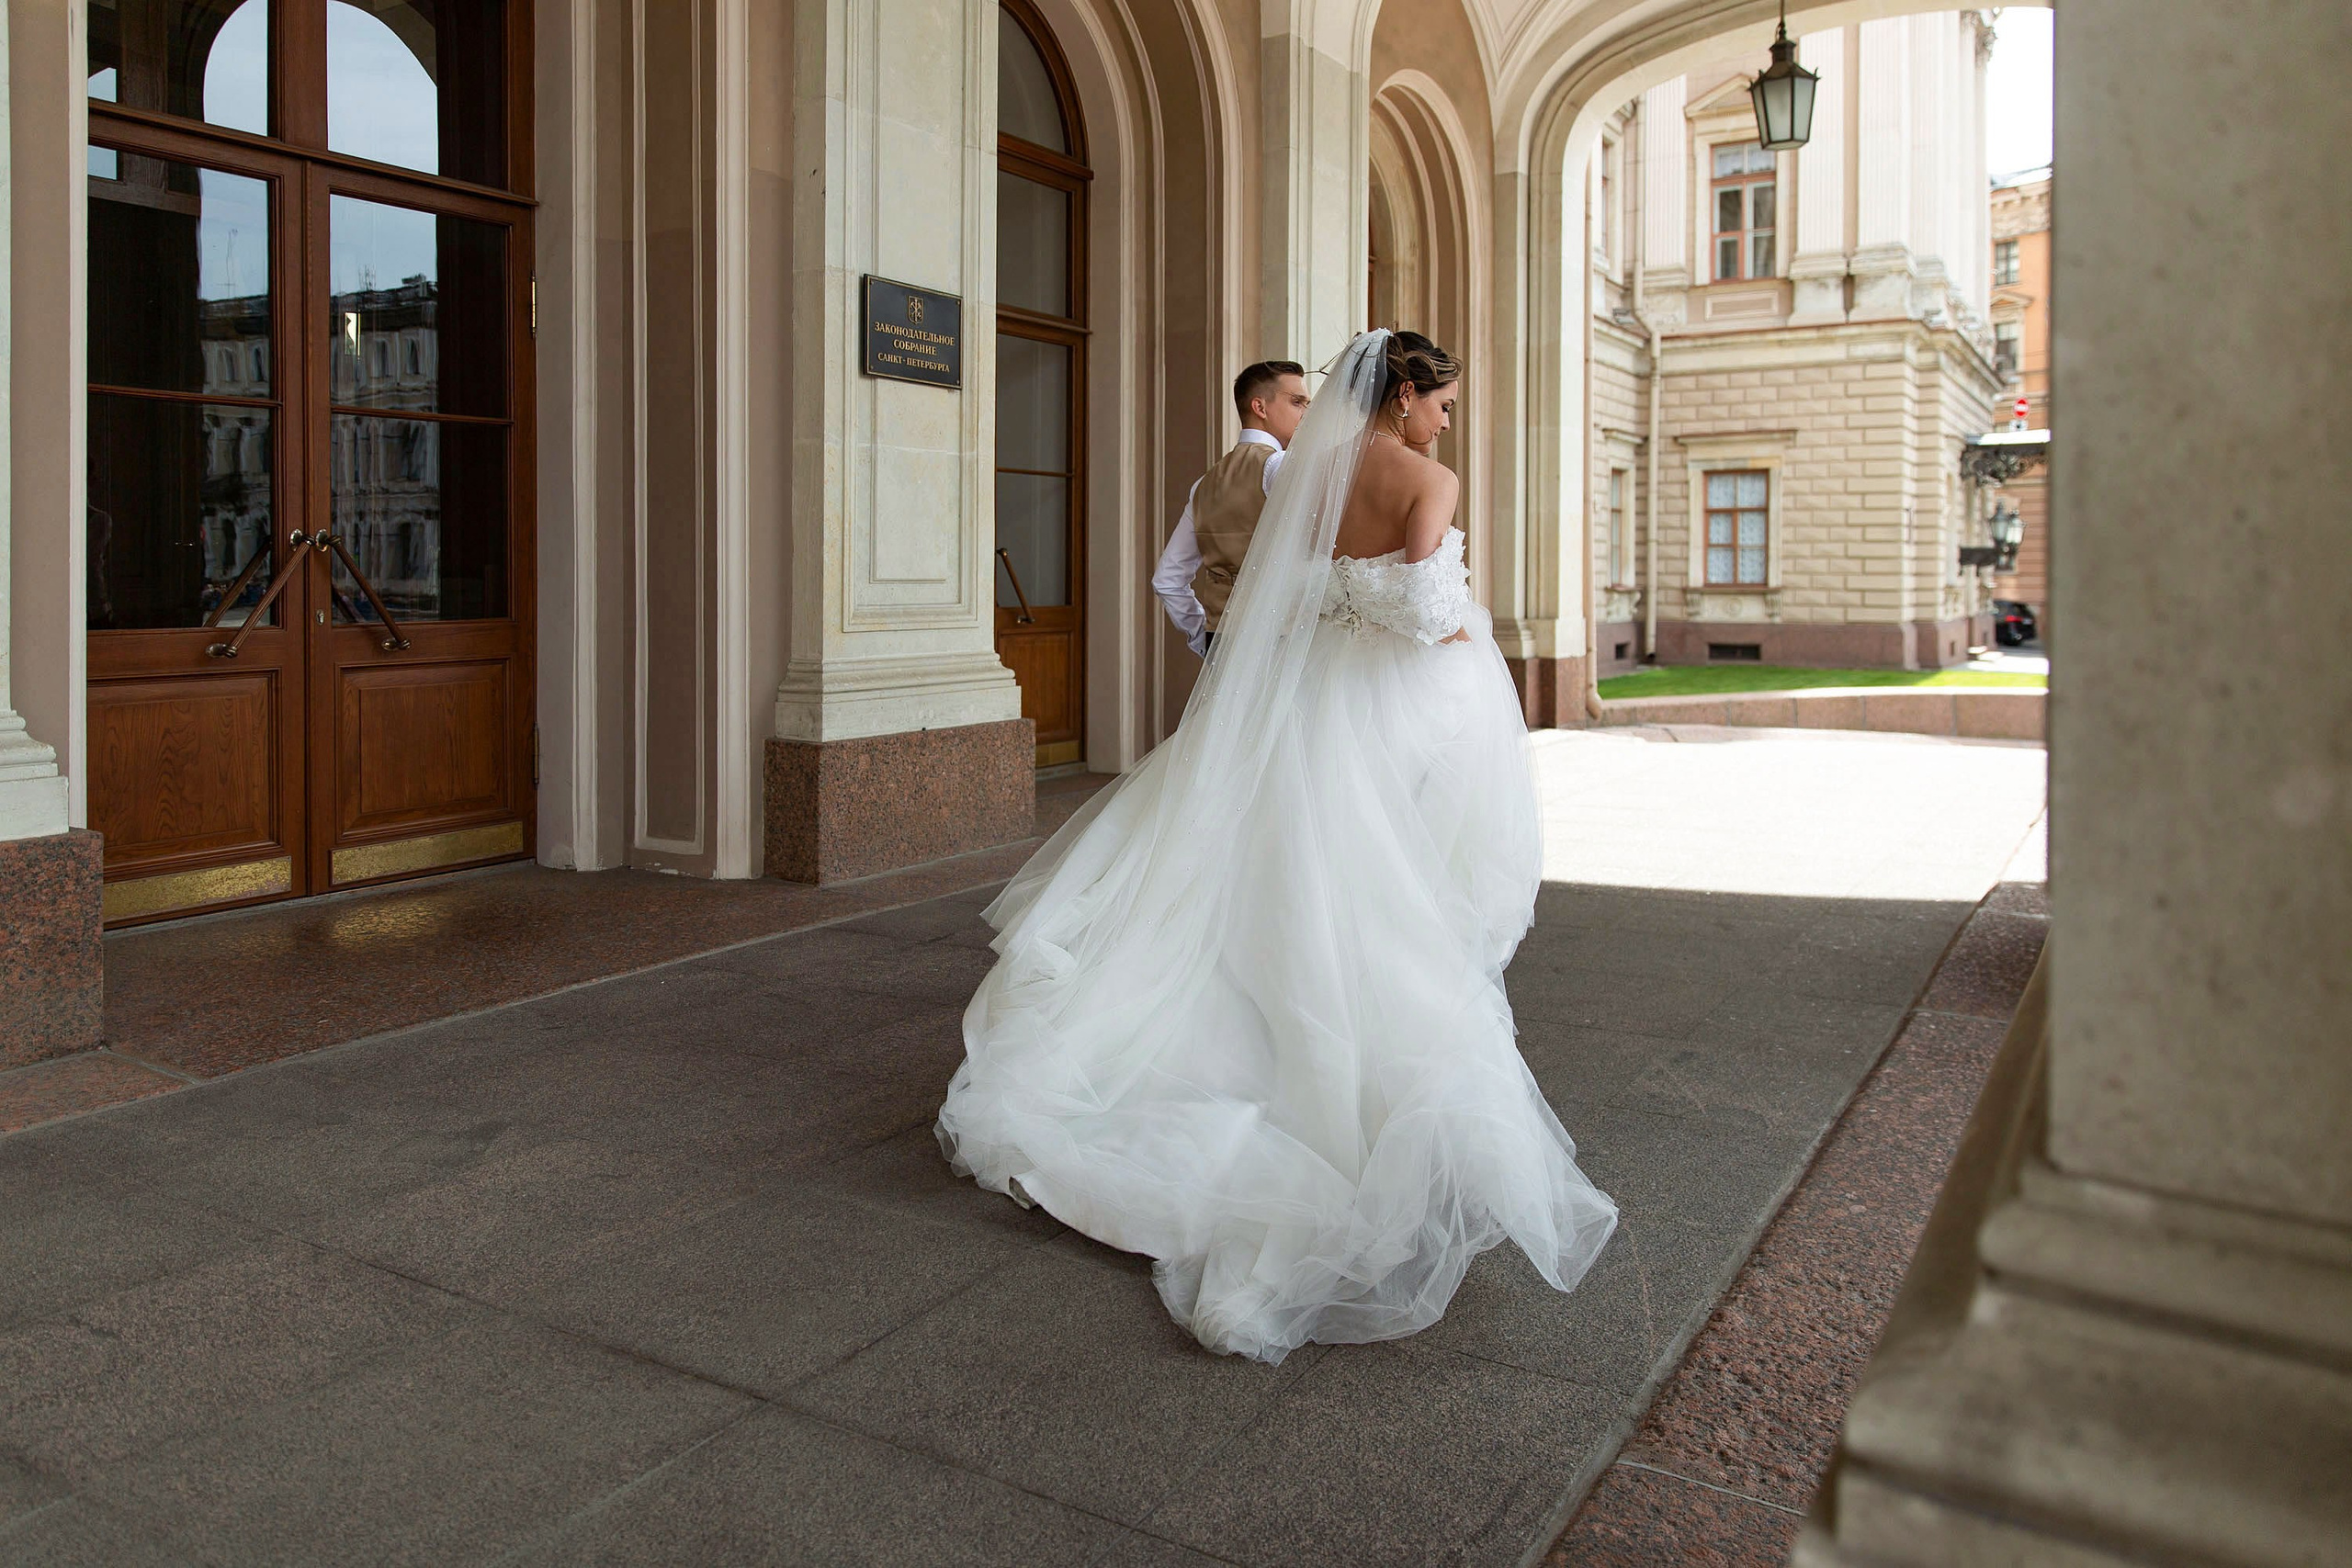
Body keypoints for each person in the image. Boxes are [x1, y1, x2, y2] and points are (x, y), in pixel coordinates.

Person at [937, 330, 1616, 1364]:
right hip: (1388, 709)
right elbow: (1432, 615)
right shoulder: (1428, 479)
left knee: (1268, 873)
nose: (1445, 419)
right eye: (1439, 400)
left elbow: (1275, 594)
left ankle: (1225, 1046)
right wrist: (1453, 630)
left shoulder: (1309, 476)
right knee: (1379, 894)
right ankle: (1332, 1091)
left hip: (1305, 703)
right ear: (1402, 394)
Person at [1151, 360, 1311, 657]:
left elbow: (1167, 580)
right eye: (1297, 402)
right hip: (1279, 643)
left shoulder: (1203, 484)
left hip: (1222, 640)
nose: (1307, 412)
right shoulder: (1280, 468)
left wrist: (1204, 638)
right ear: (1260, 408)